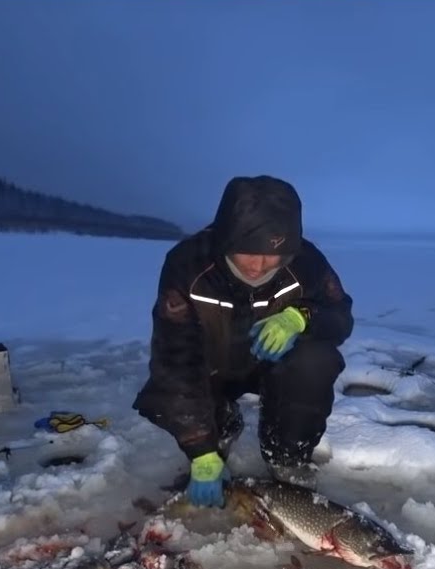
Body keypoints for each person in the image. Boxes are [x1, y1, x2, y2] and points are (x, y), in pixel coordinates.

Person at [132, 175, 354, 507]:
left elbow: (340, 315)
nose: (259, 265)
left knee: (316, 360)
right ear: (227, 238)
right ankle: (221, 425)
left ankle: (287, 455)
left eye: (272, 255)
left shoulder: (306, 262)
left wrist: (300, 318)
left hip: (275, 368)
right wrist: (201, 451)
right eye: (248, 252)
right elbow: (175, 357)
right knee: (168, 392)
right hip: (212, 370)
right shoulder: (187, 264)